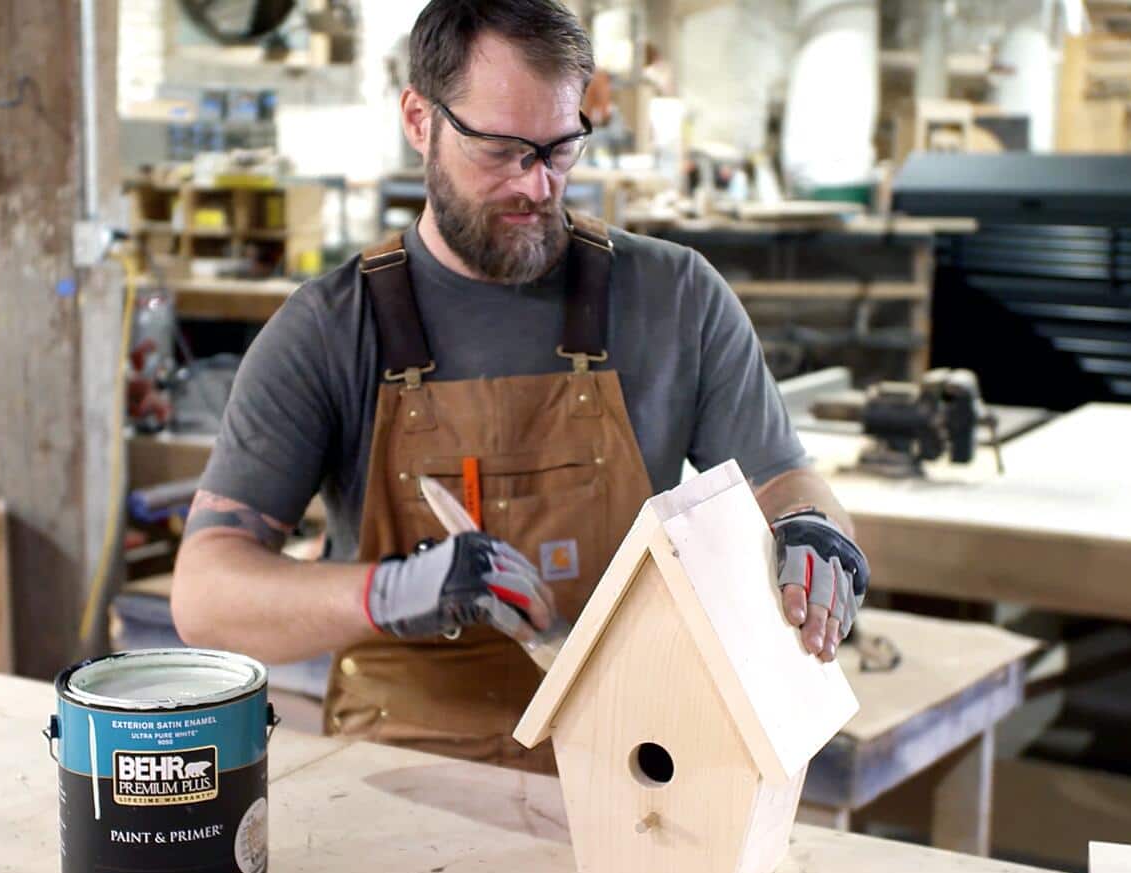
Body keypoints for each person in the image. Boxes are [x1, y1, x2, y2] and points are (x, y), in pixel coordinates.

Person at [171, 0, 869, 773]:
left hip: (636, 752)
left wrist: (814, 528)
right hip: (407, 765)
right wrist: (390, 593)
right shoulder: (332, 327)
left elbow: (783, 478)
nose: (538, 186)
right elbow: (206, 597)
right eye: (502, 151)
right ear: (418, 119)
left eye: (559, 148)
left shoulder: (674, 296)